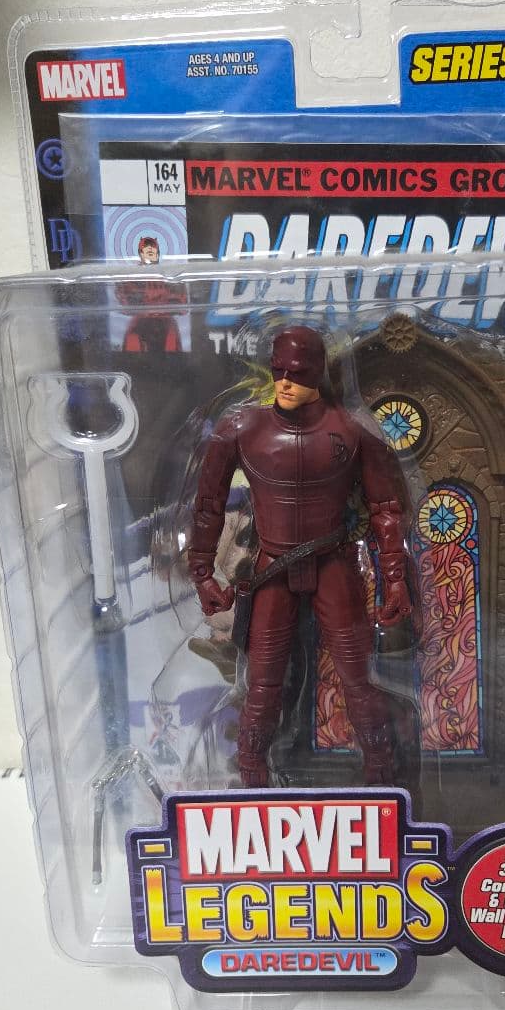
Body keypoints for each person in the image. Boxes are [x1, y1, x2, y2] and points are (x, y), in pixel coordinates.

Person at [188, 325, 412, 786]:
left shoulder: (352, 430)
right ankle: (252, 773)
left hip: (333, 563)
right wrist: (203, 573)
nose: (285, 382)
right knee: (263, 682)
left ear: (318, 371)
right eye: (278, 372)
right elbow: (208, 504)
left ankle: (382, 770)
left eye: (297, 373)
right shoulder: (241, 429)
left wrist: (395, 579)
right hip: (272, 568)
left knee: (357, 677)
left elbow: (387, 508)